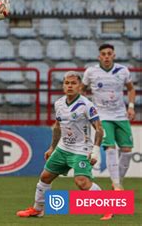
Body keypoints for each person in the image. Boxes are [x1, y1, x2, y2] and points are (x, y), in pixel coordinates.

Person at [16, 71, 103, 218]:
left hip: (81, 150)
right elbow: (57, 126)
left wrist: (95, 151)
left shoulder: (87, 105)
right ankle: (38, 209)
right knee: (45, 177)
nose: (70, 86)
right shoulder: (59, 103)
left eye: (73, 83)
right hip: (63, 149)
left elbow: (99, 129)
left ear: (80, 86)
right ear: (63, 86)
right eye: (67, 83)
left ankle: (108, 206)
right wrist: (52, 147)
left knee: (81, 182)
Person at [82, 43, 135, 192]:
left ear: (114, 55)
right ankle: (117, 185)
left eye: (109, 53)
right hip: (102, 116)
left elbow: (131, 89)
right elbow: (82, 89)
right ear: (99, 56)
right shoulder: (91, 72)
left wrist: (131, 107)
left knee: (127, 151)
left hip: (121, 115)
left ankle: (118, 182)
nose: (106, 56)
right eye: (103, 54)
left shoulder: (123, 71)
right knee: (110, 148)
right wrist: (85, 106)